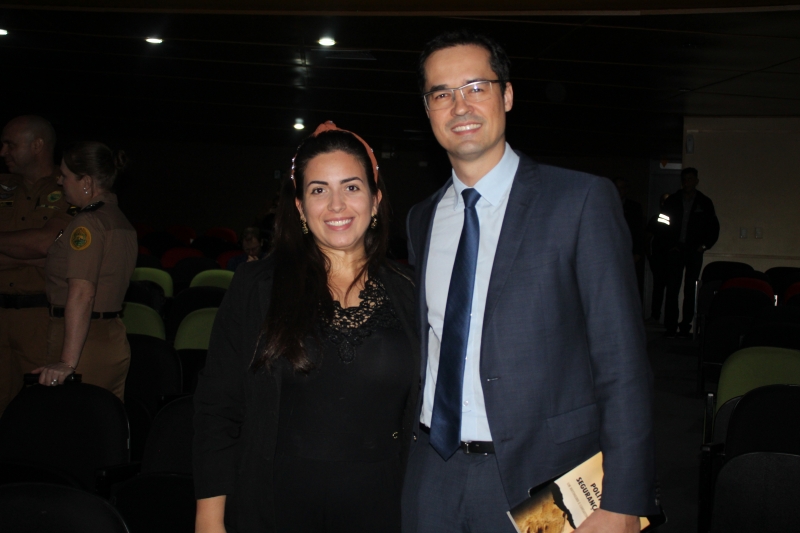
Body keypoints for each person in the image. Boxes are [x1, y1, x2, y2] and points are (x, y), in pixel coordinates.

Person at [403, 30, 658, 533]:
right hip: (432, 470)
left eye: (476, 87)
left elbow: (622, 361)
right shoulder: (421, 219)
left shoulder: (580, 201)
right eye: (441, 93)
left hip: (542, 477)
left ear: (507, 95)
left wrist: (625, 499)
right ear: (428, 109)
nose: (460, 106)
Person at [193, 122, 419, 533]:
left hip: (385, 507)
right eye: (318, 190)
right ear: (299, 207)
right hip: (276, 504)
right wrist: (209, 518)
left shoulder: (413, 291)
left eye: (351, 187)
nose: (336, 205)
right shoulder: (256, 286)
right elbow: (218, 408)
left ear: (375, 200)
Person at [32, 142, 137, 400]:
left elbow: (82, 293)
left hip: (83, 342)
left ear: (86, 181)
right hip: (110, 336)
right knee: (103, 419)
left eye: (65, 175)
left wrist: (67, 363)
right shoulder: (118, 218)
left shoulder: (88, 222)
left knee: (73, 420)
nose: (59, 182)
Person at [0, 115, 75, 414]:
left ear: (37, 145)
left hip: (40, 318)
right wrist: (34, 257)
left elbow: (47, 245)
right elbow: (44, 253)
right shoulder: (2, 186)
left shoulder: (69, 186)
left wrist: (42, 252)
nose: (3, 152)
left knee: (39, 410)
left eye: (10, 145)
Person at [662, 167, 719, 337]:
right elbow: (662, 223)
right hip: (675, 249)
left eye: (690, 179)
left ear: (696, 181)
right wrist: (669, 245)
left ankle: (685, 325)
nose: (687, 182)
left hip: (694, 251)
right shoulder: (672, 201)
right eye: (684, 179)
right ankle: (670, 326)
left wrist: (704, 246)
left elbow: (713, 227)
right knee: (672, 288)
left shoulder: (704, 202)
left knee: (690, 289)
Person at [614, 177, 645, 298]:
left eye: (621, 188)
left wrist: (637, 252)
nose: (618, 191)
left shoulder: (634, 208)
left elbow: (638, 231)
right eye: (616, 188)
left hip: (628, 253)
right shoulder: (604, 205)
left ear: (626, 190)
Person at [645, 193, 671, 324]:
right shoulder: (656, 219)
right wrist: (650, 255)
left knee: (670, 289)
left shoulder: (677, 219)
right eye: (663, 201)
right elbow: (648, 237)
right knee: (658, 288)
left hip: (672, 259)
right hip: (659, 258)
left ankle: (669, 319)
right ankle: (656, 316)